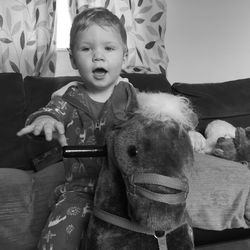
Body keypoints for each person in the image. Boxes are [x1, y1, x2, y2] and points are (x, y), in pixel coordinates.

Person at [17, 7, 137, 250]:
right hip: (80, 189)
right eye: (86, 49)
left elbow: (154, 128)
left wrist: (183, 134)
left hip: (123, 189)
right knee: (58, 236)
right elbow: (51, 112)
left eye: (109, 48)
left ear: (124, 55)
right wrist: (44, 120)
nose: (98, 56)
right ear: (72, 58)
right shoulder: (68, 96)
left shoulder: (130, 96)